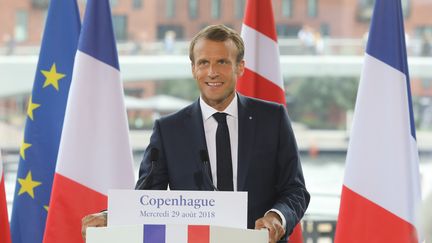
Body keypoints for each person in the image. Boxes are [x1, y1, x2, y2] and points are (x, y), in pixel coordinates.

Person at [81, 24, 310, 243]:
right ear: (193, 69)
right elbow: (147, 198)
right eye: (203, 63)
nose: (212, 72)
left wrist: (276, 217)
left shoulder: (273, 118)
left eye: (222, 62)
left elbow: (295, 190)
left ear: (240, 67)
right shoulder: (168, 130)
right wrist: (109, 217)